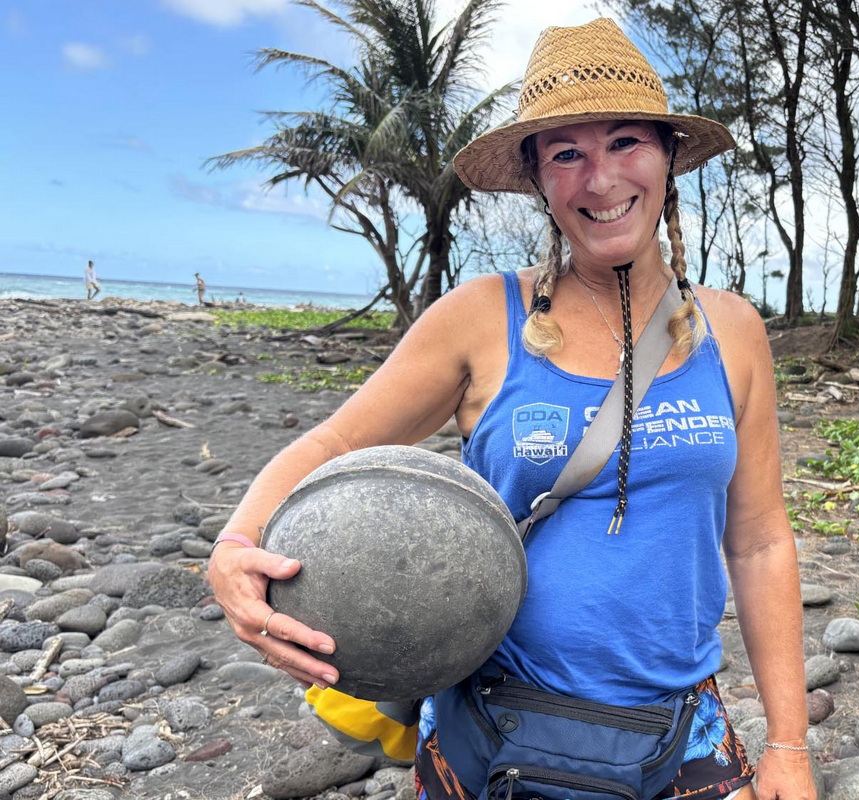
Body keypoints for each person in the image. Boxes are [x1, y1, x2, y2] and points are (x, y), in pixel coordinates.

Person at [209, 17, 816, 800]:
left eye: (627, 141)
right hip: (495, 725)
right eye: (567, 153)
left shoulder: (732, 331)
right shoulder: (477, 318)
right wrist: (234, 546)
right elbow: (334, 441)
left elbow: (762, 541)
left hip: (679, 721)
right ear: (537, 178)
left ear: (669, 155)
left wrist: (790, 746)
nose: (600, 180)